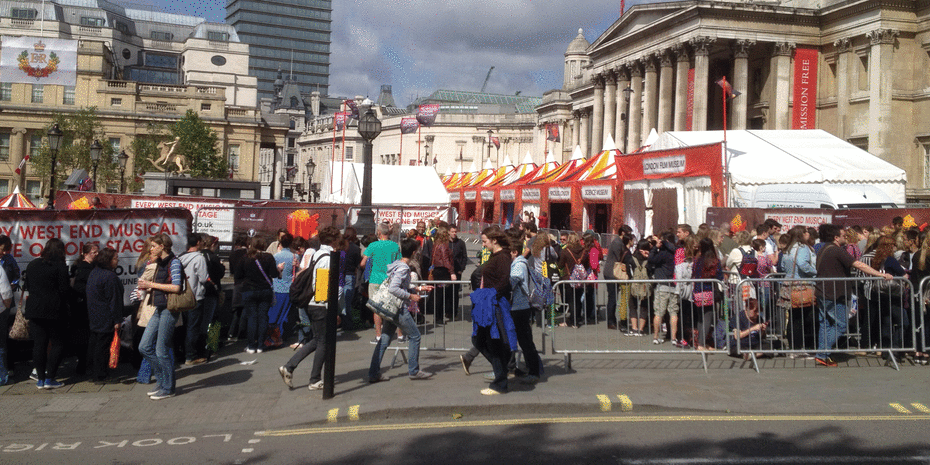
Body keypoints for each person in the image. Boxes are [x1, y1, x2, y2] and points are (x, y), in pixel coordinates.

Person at [813, 224, 891, 367]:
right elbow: (859, 265)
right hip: (834, 293)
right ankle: (822, 353)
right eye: (843, 235)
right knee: (840, 325)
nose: (846, 238)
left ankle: (823, 355)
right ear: (836, 238)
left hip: (823, 291)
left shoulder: (823, 249)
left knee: (826, 324)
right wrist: (880, 274)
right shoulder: (836, 250)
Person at [278, 227, 340, 391]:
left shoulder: (318, 253)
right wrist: (330, 307)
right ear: (334, 240)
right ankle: (314, 379)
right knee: (323, 343)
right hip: (320, 305)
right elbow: (320, 285)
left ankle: (290, 366)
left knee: (317, 340)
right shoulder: (327, 257)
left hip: (313, 303)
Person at [366, 238, 435, 383]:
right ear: (414, 252)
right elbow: (394, 288)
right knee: (415, 336)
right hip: (399, 308)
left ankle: (373, 372)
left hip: (392, 308)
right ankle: (414, 370)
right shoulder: (404, 268)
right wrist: (411, 296)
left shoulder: (397, 265)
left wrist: (418, 288)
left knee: (384, 339)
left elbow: (400, 285)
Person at [137, 233, 182, 400]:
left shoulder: (174, 262)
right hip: (158, 308)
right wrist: (148, 288)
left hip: (169, 309)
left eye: (154, 245)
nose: (151, 248)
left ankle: (168, 387)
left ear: (163, 246)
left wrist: (150, 284)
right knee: (144, 346)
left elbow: (176, 287)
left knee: (161, 350)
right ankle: (162, 382)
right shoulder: (160, 263)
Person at [471, 227, 516, 395]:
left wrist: (488, 295)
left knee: (492, 342)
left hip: (495, 304)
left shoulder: (503, 257)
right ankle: (501, 371)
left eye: (484, 241)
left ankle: (500, 382)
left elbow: (504, 282)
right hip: (488, 303)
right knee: (479, 340)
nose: (483, 244)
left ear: (494, 240)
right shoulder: (495, 256)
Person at [24, 238, 71, 389]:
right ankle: (50, 378)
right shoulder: (60, 267)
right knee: (58, 343)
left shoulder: (33, 264)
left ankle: (40, 379)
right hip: (54, 311)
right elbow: (64, 291)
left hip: (34, 310)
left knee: (39, 344)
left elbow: (28, 286)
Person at [234, 237, 279, 354]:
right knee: (263, 317)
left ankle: (251, 345)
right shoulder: (269, 257)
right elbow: (274, 274)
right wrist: (279, 269)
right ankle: (260, 345)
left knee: (252, 318)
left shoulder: (245, 258)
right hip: (265, 290)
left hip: (249, 290)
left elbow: (238, 275)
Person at [85, 247, 123, 383]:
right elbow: (114, 300)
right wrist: (117, 319)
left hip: (95, 315)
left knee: (95, 344)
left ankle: (93, 372)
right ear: (108, 260)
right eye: (115, 258)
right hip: (105, 316)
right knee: (103, 346)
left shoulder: (95, 272)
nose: (117, 260)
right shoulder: (109, 276)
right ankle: (101, 375)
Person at [508, 230, 541, 384]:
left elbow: (513, 282)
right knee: (522, 339)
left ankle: (534, 370)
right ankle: (528, 367)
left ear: (514, 252)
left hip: (519, 307)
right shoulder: (520, 262)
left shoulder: (518, 264)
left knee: (525, 341)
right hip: (519, 306)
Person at [869, 235, 910, 359]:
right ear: (889, 246)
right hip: (893, 294)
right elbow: (903, 275)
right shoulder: (891, 260)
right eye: (893, 245)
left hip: (881, 294)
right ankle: (895, 348)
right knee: (904, 323)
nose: (894, 247)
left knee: (886, 323)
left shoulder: (877, 259)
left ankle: (886, 351)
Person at [780, 226, 818, 358]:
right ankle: (801, 347)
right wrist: (816, 272)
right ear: (801, 234)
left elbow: (783, 266)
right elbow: (803, 264)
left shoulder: (788, 248)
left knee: (793, 318)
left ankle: (794, 348)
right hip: (801, 285)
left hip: (789, 284)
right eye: (806, 232)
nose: (808, 234)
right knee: (804, 317)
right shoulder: (803, 248)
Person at [359, 223, 401, 342]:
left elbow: (363, 263)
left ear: (379, 233)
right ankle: (399, 334)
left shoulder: (373, 245)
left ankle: (378, 335)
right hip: (389, 279)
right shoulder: (395, 245)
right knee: (392, 305)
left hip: (375, 279)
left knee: (376, 308)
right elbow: (399, 262)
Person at [178, 233, 209, 365]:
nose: (203, 243)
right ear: (197, 243)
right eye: (201, 241)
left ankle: (182, 353)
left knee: (183, 326)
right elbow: (203, 278)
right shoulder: (199, 258)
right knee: (193, 327)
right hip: (196, 296)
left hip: (181, 296)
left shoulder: (180, 257)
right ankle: (190, 356)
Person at [69, 243, 98, 377]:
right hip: (83, 309)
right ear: (85, 254)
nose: (97, 255)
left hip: (84, 308)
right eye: (94, 252)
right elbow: (76, 288)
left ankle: (84, 363)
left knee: (84, 337)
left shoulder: (87, 267)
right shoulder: (83, 269)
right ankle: (84, 363)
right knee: (84, 337)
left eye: (97, 252)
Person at [691, 238, 723, 350]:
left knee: (700, 318)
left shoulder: (697, 260)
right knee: (707, 318)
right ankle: (701, 344)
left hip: (697, 291)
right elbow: (720, 277)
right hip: (709, 291)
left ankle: (702, 342)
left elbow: (694, 273)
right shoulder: (714, 261)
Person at [648, 231, 679, 344]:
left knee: (659, 313)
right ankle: (674, 338)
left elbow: (651, 259)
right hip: (673, 285)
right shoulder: (675, 252)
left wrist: (654, 248)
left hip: (662, 286)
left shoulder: (663, 253)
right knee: (673, 313)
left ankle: (656, 337)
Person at [268, 232, 296, 348]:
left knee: (273, 314)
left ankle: (272, 338)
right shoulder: (294, 257)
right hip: (288, 288)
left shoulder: (276, 256)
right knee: (284, 315)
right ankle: (280, 337)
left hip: (276, 287)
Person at [604, 227, 632, 330]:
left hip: (613, 272)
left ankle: (613, 320)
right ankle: (611, 321)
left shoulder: (618, 242)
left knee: (614, 297)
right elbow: (621, 257)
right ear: (623, 233)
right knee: (613, 297)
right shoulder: (617, 243)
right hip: (612, 272)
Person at [558, 232, 586, 327]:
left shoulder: (566, 251)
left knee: (571, 300)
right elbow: (586, 263)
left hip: (568, 277)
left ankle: (573, 321)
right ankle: (577, 318)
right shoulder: (583, 251)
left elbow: (560, 265)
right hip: (580, 278)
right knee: (578, 299)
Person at [227, 234, 249, 341]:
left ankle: (231, 332)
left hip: (237, 284)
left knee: (236, 310)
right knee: (246, 309)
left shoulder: (232, 255)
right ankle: (242, 332)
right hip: (248, 284)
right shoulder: (249, 254)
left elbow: (231, 272)